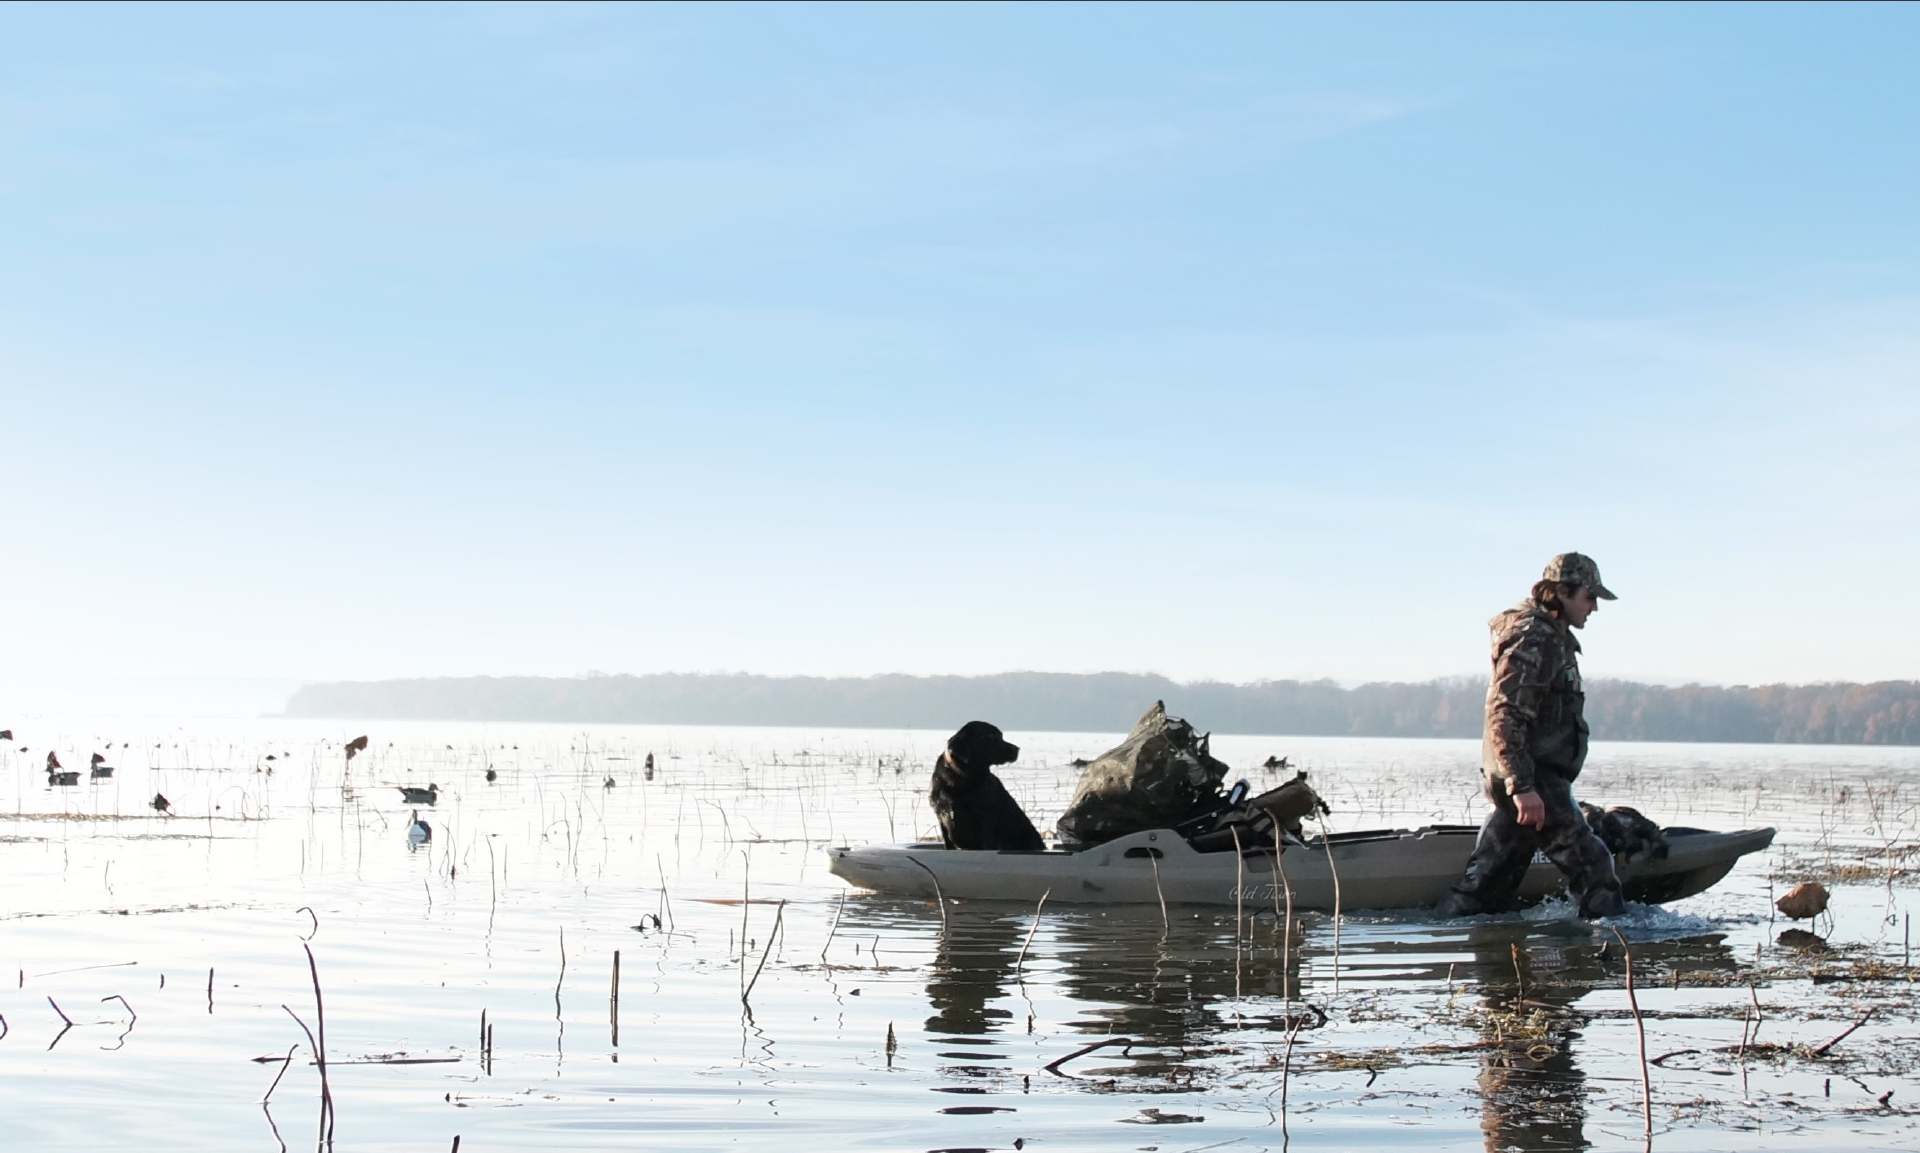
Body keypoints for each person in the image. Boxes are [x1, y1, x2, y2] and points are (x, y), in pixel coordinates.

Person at [1439, 553, 1626, 919]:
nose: (1594, 608)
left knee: (1487, 887)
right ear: (1562, 592)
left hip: (1527, 778)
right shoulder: (1534, 637)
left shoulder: (1552, 636)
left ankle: (1448, 934)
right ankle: (1615, 946)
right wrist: (1523, 786)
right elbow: (1505, 713)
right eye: (1589, 597)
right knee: (1595, 868)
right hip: (1533, 778)